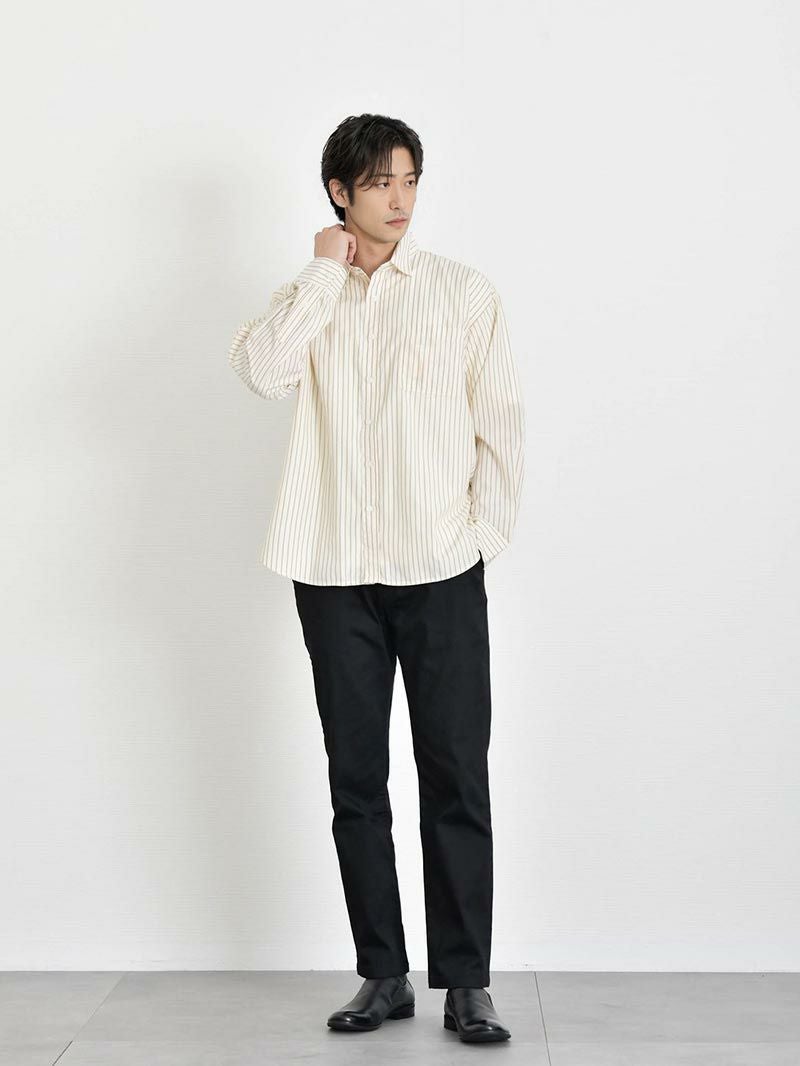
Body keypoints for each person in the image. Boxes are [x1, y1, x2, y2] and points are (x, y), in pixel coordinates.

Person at [228, 113, 525, 1044]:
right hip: (332, 571)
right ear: (339, 193)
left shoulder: (462, 292)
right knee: (356, 780)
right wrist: (324, 272)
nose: (400, 200)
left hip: (439, 569)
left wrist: (477, 539)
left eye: (410, 180)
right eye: (380, 183)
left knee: (455, 774)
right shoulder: (307, 297)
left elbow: (501, 424)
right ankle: (383, 975)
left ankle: (466, 983)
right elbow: (262, 374)